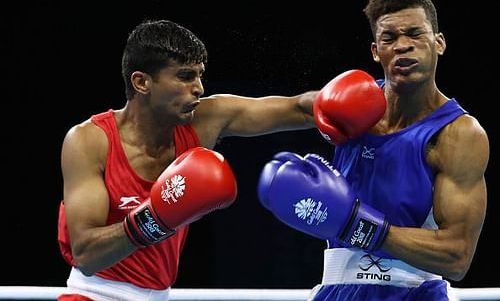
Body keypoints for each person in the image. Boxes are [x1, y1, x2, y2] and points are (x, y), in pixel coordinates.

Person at [57, 19, 386, 300]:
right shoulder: (89, 140)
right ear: (142, 82)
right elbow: (86, 254)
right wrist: (157, 216)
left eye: (200, 75)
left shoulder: (205, 119)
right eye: (185, 76)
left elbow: (297, 107)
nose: (198, 88)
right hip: (92, 294)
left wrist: (341, 102)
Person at [257, 0, 489, 301]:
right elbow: (250, 111)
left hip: (416, 293)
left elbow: (457, 257)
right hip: (336, 291)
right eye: (389, 38)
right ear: (376, 51)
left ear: (439, 43)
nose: (403, 45)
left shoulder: (458, 134)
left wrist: (357, 224)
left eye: (415, 34)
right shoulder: (346, 105)